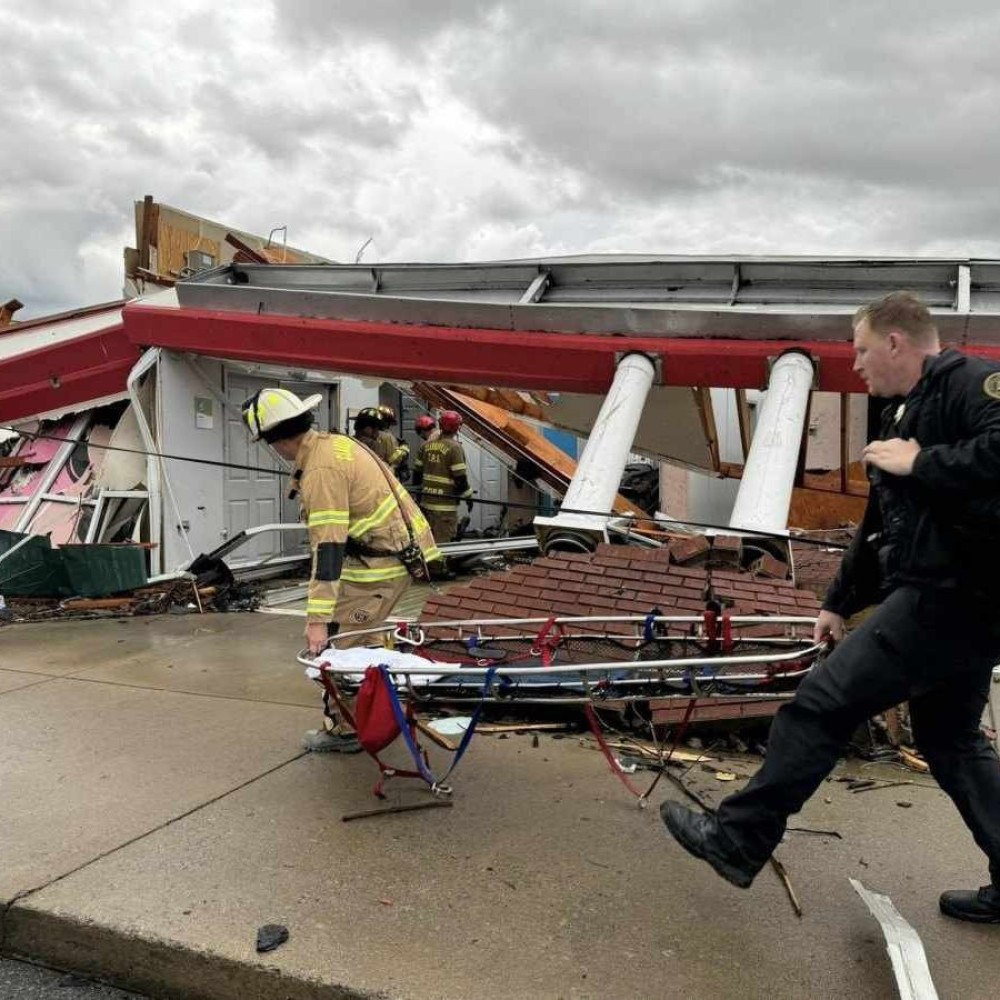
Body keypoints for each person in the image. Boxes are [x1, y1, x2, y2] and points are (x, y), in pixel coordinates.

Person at [660, 291, 1000, 923]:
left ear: (897, 342)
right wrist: (838, 602)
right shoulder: (899, 412)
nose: (856, 363)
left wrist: (923, 459)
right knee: (951, 741)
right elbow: (881, 523)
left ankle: (738, 840)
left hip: (953, 595)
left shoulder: (972, 384)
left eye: (863, 349)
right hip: (955, 602)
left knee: (819, 706)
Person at [242, 388, 440, 752]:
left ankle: (345, 730)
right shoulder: (334, 445)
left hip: (379, 566)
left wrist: (317, 618)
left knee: (336, 649)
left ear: (274, 440)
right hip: (394, 557)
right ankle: (381, 712)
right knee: (366, 639)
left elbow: (329, 549)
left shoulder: (321, 469)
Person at [412, 409, 473, 543]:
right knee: (443, 547)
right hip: (445, 508)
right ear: (457, 427)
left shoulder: (425, 446)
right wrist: (469, 497)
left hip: (426, 505)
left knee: (427, 543)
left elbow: (416, 475)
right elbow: (461, 479)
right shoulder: (455, 448)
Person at [376, 404, 410, 479]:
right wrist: (403, 448)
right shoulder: (388, 437)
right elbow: (393, 459)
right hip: (387, 474)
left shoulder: (368, 434)